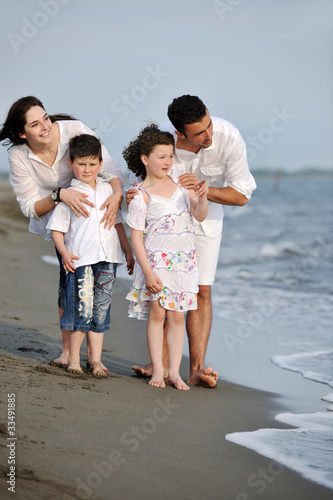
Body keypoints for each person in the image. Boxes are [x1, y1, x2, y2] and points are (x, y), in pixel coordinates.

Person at [128, 95, 256, 388]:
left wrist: (202, 192)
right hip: (161, 223)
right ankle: (158, 364)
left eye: (208, 125)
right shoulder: (161, 139)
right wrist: (130, 194)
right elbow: (141, 179)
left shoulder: (229, 137)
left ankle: (195, 368)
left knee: (201, 290)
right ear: (179, 134)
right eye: (199, 133)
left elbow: (242, 195)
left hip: (204, 219)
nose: (208, 135)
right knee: (159, 293)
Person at [0, 96, 128, 372]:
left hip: (94, 216)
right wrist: (60, 195)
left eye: (46, 118)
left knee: (93, 296)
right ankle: (69, 352)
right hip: (61, 220)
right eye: (35, 124)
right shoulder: (19, 155)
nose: (46, 126)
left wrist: (117, 194)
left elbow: (109, 167)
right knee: (69, 286)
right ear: (23, 133)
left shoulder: (73, 130)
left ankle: (90, 356)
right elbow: (29, 207)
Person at [123, 124, 208, 390]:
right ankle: (158, 370)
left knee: (177, 317)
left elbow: (199, 215)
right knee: (157, 315)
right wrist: (147, 272)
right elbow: (136, 237)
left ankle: (175, 372)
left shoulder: (183, 184)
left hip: (183, 266)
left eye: (171, 156)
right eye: (161, 156)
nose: (167, 161)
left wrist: (203, 198)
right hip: (156, 266)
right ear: (145, 159)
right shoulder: (141, 195)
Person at [46, 133, 133, 376]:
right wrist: (63, 253)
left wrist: (127, 250)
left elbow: (117, 224)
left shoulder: (108, 191)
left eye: (92, 164)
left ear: (100, 164)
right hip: (81, 260)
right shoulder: (70, 195)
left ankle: (95, 360)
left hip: (108, 259)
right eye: (82, 164)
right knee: (80, 309)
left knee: (101, 310)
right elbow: (57, 229)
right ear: (71, 163)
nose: (87, 169)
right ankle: (74, 359)